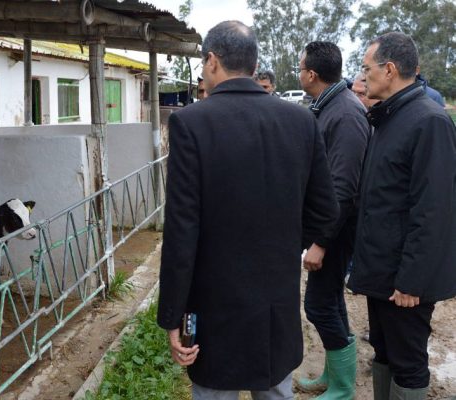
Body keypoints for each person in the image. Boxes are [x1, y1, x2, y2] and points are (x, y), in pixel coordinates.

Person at [157, 20, 339, 400]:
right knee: (274, 388)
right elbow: (325, 209)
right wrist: (287, 242)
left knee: (214, 390)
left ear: (211, 61)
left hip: (213, 303)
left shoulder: (190, 123)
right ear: (255, 67)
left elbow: (181, 229)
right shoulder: (301, 120)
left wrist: (172, 315)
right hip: (275, 298)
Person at [347, 32, 456, 400]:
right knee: (383, 350)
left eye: (366, 68)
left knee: (408, 362)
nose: (362, 77)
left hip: (404, 280)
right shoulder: (388, 118)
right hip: (382, 269)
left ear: (389, 69)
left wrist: (412, 281)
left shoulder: (428, 122)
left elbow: (434, 211)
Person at [296, 41, 370, 399]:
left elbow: (343, 189)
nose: (299, 74)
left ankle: (342, 387)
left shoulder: (345, 114)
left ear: (311, 74)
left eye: (299, 68)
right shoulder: (327, 107)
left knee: (319, 305)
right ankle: (333, 374)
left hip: (337, 231)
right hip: (328, 227)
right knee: (330, 302)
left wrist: (321, 242)